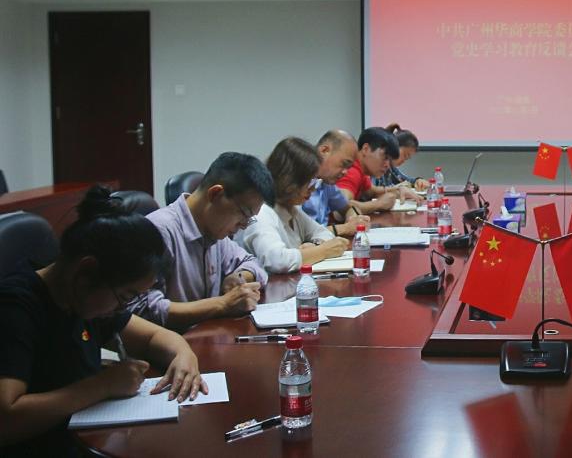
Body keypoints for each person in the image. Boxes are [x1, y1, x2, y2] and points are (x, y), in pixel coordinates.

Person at [0, 187, 206, 457]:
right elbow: (7, 418)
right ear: (85, 271)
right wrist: (103, 385)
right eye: (125, 296)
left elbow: (153, 337)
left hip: (86, 439)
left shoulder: (82, 297)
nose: (122, 307)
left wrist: (184, 355)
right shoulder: (16, 308)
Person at [133, 152, 273, 333]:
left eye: (250, 218)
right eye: (244, 214)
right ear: (216, 194)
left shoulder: (214, 232)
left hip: (208, 338)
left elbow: (253, 263)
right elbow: (142, 311)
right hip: (170, 346)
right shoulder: (159, 231)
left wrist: (240, 276)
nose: (244, 225)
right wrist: (222, 304)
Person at [235, 137, 350, 274]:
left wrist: (314, 246)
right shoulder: (261, 213)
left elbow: (323, 233)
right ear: (290, 181)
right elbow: (277, 261)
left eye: (316, 181)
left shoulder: (291, 209)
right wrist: (322, 251)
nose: (313, 188)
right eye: (310, 181)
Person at [302, 129, 371, 234]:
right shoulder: (297, 180)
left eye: (349, 167)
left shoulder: (326, 181)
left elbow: (349, 208)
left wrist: (353, 219)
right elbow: (297, 234)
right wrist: (345, 228)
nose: (345, 172)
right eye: (344, 164)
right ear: (324, 151)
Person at [337, 127, 416, 214]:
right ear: (366, 149)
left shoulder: (361, 169)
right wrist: (378, 204)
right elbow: (340, 205)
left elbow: (371, 191)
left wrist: (399, 190)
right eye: (385, 157)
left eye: (389, 160)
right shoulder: (352, 171)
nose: (387, 165)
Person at [373, 123, 429, 192]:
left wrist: (418, 180)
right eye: (405, 155)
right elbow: (371, 193)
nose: (403, 161)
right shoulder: (375, 166)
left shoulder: (391, 168)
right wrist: (396, 190)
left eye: (407, 159)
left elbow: (406, 180)